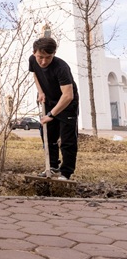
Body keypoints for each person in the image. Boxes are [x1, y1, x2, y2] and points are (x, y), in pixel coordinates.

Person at [29, 37, 79, 180]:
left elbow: (68, 95)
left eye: (48, 57)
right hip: (49, 101)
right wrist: (40, 92)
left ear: (54, 54)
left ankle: (66, 173)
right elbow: (35, 74)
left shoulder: (61, 68)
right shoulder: (33, 60)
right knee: (49, 136)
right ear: (34, 53)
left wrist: (51, 114)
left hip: (67, 104)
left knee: (67, 140)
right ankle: (52, 166)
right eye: (40, 57)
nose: (44, 61)